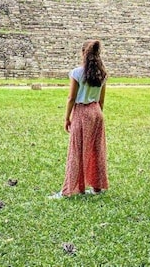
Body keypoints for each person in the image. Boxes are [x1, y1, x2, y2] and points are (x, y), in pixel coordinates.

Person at [49, 39, 108, 198]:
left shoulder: (77, 73)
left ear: (83, 53)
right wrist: (96, 115)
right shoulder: (102, 74)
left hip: (82, 112)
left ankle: (70, 189)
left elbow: (71, 98)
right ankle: (97, 187)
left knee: (76, 151)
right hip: (97, 112)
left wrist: (67, 117)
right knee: (96, 149)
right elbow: (101, 100)